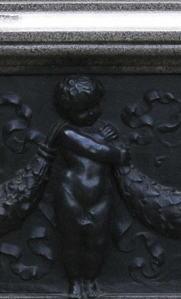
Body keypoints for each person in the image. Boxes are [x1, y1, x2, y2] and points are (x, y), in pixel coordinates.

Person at [53, 75, 130, 298]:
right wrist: (117, 153)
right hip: (72, 197)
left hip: (100, 197)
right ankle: (75, 281)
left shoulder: (100, 130)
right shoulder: (66, 133)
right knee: (72, 242)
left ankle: (90, 280)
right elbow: (96, 150)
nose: (91, 114)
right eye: (82, 111)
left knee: (97, 242)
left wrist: (107, 138)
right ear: (66, 112)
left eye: (94, 107)